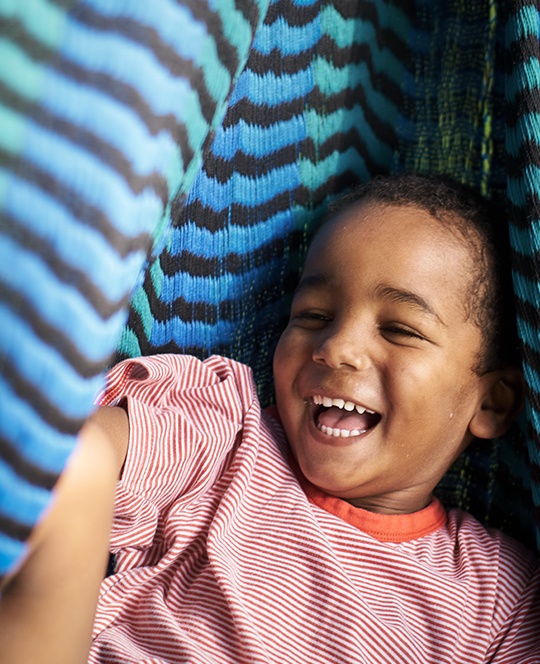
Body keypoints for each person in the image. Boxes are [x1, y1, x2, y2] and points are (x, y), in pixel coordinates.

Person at [1, 173, 539, 663]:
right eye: (313, 316)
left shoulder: (498, 596)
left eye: (399, 329)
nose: (337, 348)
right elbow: (77, 457)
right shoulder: (226, 439)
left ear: (490, 403)